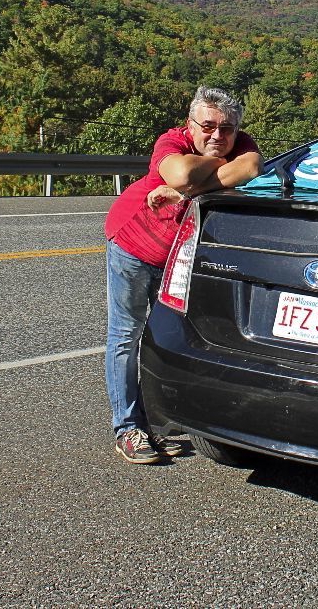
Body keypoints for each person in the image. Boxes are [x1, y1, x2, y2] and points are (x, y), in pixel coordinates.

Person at [103, 86, 262, 464]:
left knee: (171, 337)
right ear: (189, 124)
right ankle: (128, 429)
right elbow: (180, 173)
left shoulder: (241, 143)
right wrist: (205, 175)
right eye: (207, 126)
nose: (218, 136)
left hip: (181, 258)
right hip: (134, 246)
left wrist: (187, 192)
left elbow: (253, 168)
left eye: (227, 129)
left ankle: (161, 424)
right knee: (127, 335)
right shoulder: (171, 140)